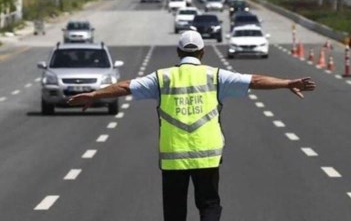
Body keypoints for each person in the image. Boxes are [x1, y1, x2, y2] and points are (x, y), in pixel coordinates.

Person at [67, 30, 316, 221]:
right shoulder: (216, 76)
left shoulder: (162, 78)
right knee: (209, 205)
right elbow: (255, 80)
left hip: (173, 157)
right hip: (207, 156)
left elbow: (125, 86)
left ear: (178, 52)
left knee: (174, 210)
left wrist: (94, 95)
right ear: (202, 52)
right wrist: (286, 83)